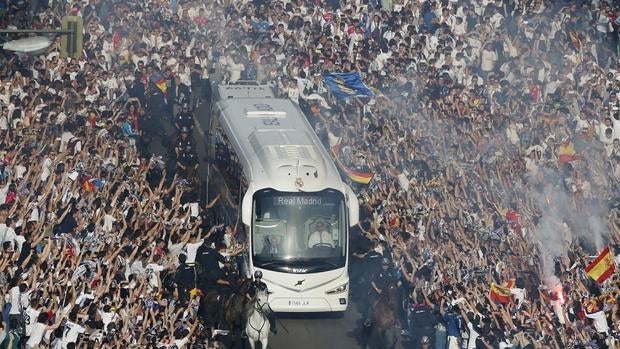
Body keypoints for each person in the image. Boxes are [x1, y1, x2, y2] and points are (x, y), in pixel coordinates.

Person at [364, 258, 394, 327]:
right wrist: (377, 289)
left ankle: (395, 319)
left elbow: (393, 282)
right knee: (371, 302)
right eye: (384, 265)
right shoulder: (378, 271)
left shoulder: (390, 272)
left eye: (387, 265)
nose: (385, 266)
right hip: (378, 291)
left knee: (394, 302)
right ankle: (369, 319)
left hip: (387, 291)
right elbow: (372, 281)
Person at [246, 270, 277, 334]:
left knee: (272, 313)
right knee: (244, 315)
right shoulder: (251, 284)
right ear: (255, 277)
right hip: (253, 303)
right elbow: (247, 293)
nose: (258, 278)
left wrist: (265, 300)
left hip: (262, 303)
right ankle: (244, 330)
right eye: (257, 277)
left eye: (259, 277)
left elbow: (266, 293)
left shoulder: (263, 284)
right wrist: (251, 299)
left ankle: (273, 328)